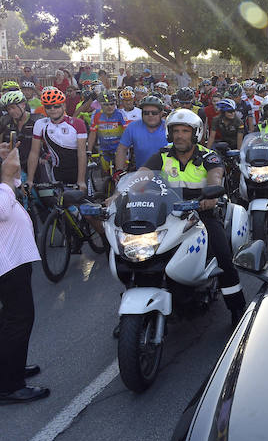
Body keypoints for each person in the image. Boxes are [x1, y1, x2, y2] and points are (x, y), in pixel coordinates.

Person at [140, 110, 246, 326]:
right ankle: (134, 310)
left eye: (185, 131)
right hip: (166, 215)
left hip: (201, 214)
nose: (180, 135)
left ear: (195, 133)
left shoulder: (209, 156)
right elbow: (140, 178)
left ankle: (237, 307)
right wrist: (116, 196)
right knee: (139, 254)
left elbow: (215, 178)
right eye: (175, 131)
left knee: (223, 256)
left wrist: (211, 195)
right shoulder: (161, 155)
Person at [0, 143, 46, 405]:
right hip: (7, 262)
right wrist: (7, 176)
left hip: (13, 257)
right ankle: (9, 385)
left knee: (8, 320)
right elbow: (2, 208)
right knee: (18, 320)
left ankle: (10, 367)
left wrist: (6, 165)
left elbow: (10, 187)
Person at [25, 87, 87, 192]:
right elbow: (34, 153)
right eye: (49, 107)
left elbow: (81, 153)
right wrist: (29, 180)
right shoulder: (40, 124)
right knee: (56, 206)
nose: (53, 109)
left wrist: (81, 181)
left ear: (64, 106)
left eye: (56, 106)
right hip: (56, 173)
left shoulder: (77, 124)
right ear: (44, 108)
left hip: (77, 172)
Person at [115, 95, 167, 177]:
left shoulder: (169, 127)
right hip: (142, 176)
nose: (150, 115)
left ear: (161, 114)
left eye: (154, 113)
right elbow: (122, 148)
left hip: (167, 176)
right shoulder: (133, 127)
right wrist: (119, 171)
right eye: (146, 113)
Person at [87, 91, 127, 175]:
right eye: (106, 104)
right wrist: (89, 151)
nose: (109, 107)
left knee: (121, 174)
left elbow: (127, 132)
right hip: (104, 150)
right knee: (106, 175)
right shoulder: (96, 114)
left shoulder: (120, 114)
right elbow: (93, 133)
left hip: (119, 150)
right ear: (101, 105)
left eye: (112, 104)